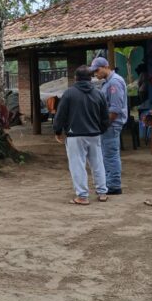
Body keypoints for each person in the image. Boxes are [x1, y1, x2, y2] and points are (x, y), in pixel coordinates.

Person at [53, 65, 110, 205]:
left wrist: (57, 131)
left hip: (75, 135)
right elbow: (105, 117)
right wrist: (100, 130)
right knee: (98, 163)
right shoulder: (99, 94)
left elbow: (60, 115)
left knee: (77, 165)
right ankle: (102, 192)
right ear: (90, 78)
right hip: (95, 134)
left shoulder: (69, 93)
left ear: (76, 78)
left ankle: (82, 196)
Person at [90, 57, 128, 195]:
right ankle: (109, 182)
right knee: (107, 155)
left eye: (97, 70)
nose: (95, 73)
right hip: (108, 125)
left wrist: (104, 125)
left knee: (110, 155)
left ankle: (114, 185)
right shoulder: (108, 82)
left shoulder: (114, 83)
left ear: (106, 66)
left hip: (111, 125)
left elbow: (115, 109)